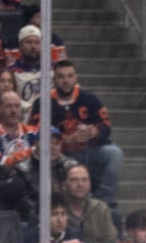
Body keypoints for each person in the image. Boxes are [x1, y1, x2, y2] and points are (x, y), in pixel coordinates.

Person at [36, 60, 124, 207]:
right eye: (61, 77)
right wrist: (65, 140)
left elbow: (106, 125)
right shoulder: (43, 102)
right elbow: (35, 133)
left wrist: (96, 131)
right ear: (54, 80)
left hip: (90, 150)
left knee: (114, 153)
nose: (66, 81)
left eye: (70, 76)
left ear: (75, 78)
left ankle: (104, 201)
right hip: (60, 155)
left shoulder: (89, 99)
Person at [13, 194, 95, 243]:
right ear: (41, 217)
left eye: (63, 214)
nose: (60, 220)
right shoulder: (26, 241)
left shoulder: (78, 239)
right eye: (54, 214)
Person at [61, 162, 119, 243]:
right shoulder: (55, 210)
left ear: (89, 184)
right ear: (64, 185)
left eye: (84, 180)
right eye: (74, 180)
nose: (80, 185)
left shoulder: (100, 209)